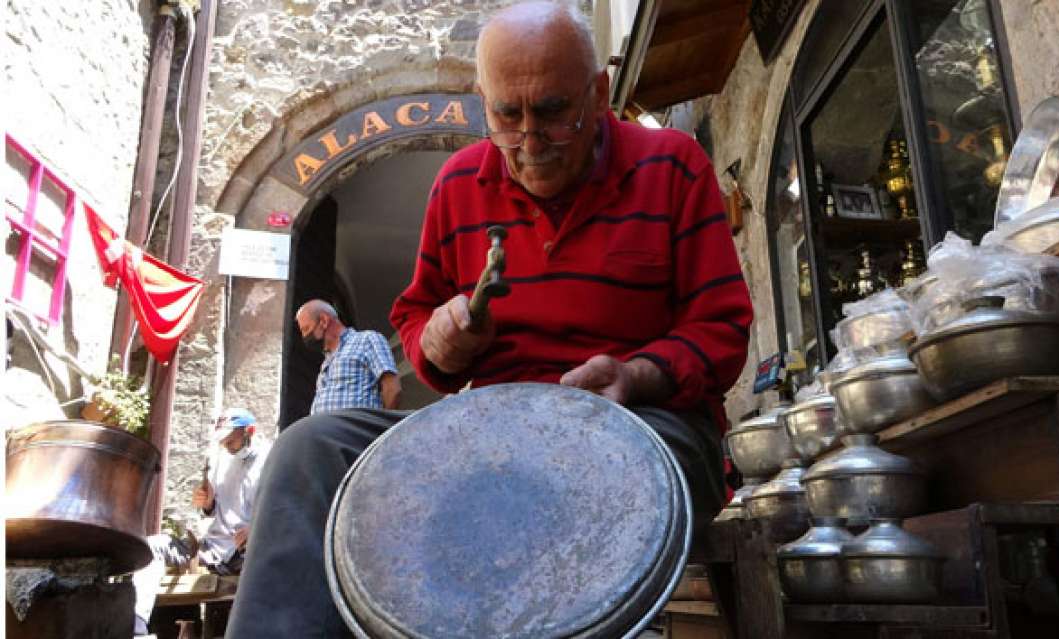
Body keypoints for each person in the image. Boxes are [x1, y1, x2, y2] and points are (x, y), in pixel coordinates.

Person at [226, 3, 752, 636]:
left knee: (549, 492)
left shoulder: (673, 165)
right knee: (310, 448)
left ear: (600, 92)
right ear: (483, 101)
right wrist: (444, 343)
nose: (529, 141)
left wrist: (635, 376)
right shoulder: (457, 185)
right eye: (507, 115)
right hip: (493, 434)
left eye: (555, 111)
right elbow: (417, 326)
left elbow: (721, 331)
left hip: (644, 424)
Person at [133, 408, 272, 636]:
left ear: (250, 431)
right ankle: (136, 628)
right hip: (210, 548)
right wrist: (207, 504)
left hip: (246, 552)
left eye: (231, 441)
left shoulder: (272, 460)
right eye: (223, 441)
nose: (226, 446)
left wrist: (257, 529)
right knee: (152, 546)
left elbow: (281, 509)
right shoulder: (220, 458)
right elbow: (212, 510)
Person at [295, 299, 403, 412]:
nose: (304, 336)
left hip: (356, 428)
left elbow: (392, 388)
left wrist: (381, 426)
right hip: (323, 429)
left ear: (324, 321)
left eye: (306, 329)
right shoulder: (326, 361)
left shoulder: (367, 340)